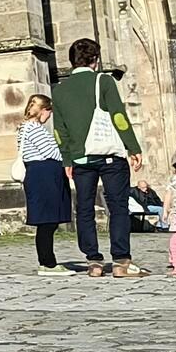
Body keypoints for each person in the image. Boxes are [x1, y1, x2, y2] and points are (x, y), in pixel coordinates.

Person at [52, 38, 145, 277]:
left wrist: (66, 159)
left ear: (72, 61)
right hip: (109, 156)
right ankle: (121, 260)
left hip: (80, 159)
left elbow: (59, 131)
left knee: (84, 208)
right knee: (118, 206)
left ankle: (93, 260)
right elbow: (118, 116)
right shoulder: (103, 81)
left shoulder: (59, 90)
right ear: (95, 59)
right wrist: (133, 147)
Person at [16, 94, 72, 276]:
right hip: (43, 175)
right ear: (43, 110)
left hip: (44, 174)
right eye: (49, 111)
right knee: (47, 220)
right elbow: (50, 152)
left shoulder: (31, 127)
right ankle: (47, 263)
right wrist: (67, 155)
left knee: (49, 220)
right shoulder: (32, 128)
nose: (49, 115)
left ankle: (48, 261)